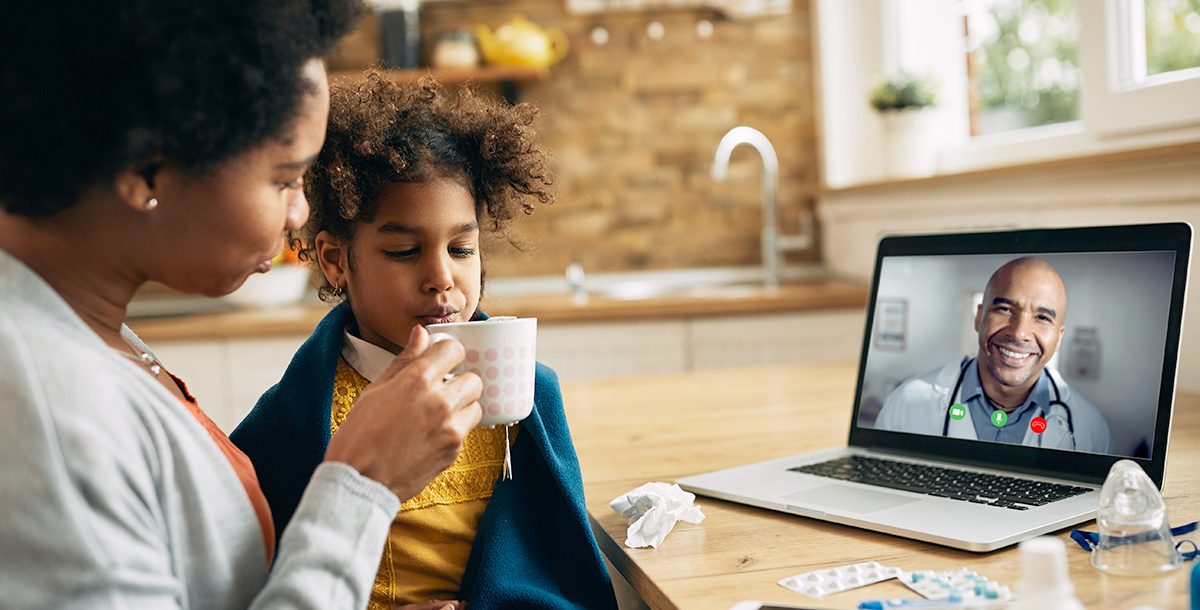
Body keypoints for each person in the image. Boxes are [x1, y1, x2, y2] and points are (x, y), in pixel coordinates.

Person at [0, 3, 486, 608]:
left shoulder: (90, 336)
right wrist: (363, 485)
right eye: (284, 179)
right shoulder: (42, 403)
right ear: (148, 164)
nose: (299, 214)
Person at [230, 75, 618, 610]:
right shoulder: (289, 424)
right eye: (404, 252)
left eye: (461, 249)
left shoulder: (530, 396)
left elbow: (559, 568)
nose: (442, 277)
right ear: (336, 260)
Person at [875, 257, 1111, 452]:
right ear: (979, 317)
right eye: (1005, 309)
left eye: (1042, 318)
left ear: (1058, 338)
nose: (1019, 333)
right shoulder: (906, 403)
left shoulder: (1089, 427)